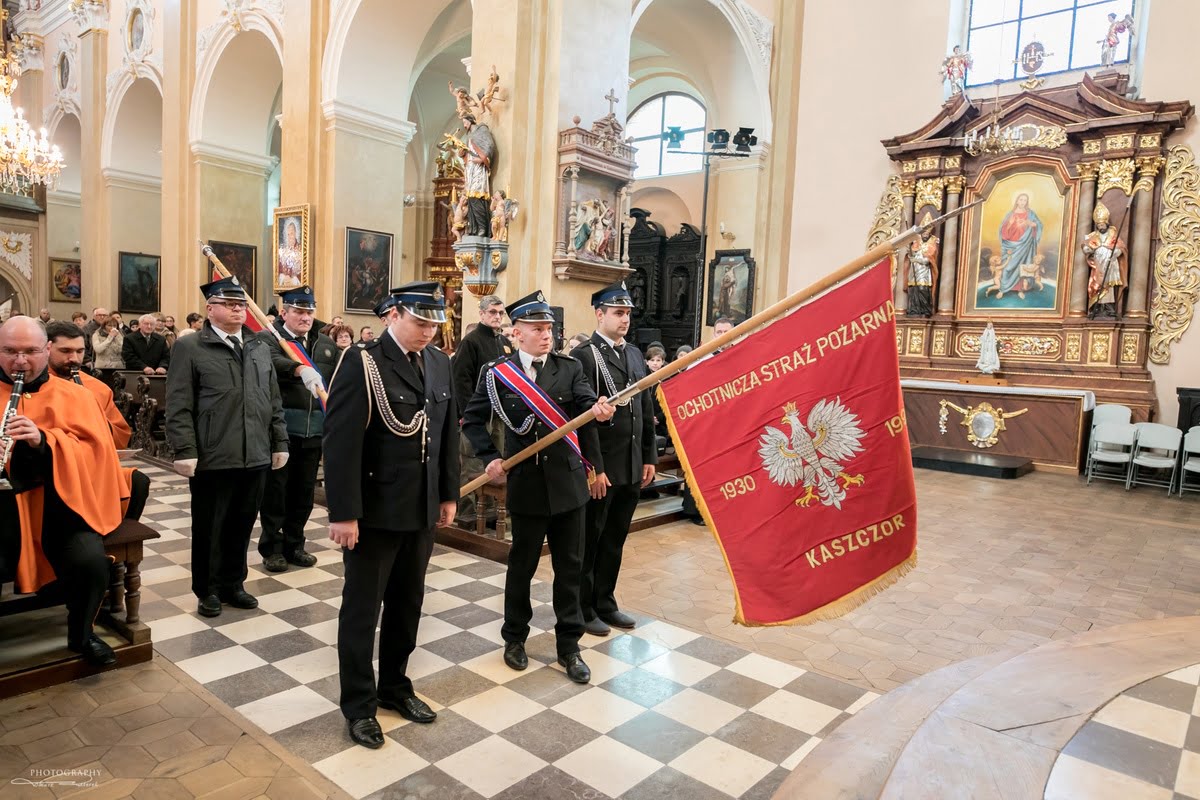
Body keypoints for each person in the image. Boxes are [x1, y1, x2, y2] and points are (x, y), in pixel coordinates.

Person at [323, 282, 459, 749]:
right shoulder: (362, 362)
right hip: (375, 512)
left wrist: (447, 494)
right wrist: (344, 513)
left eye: (435, 323)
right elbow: (341, 443)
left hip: (420, 509)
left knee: (408, 604)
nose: (429, 331)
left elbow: (446, 434)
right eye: (420, 322)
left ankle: (395, 686)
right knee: (362, 612)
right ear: (393, 315)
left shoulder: (438, 361)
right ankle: (359, 705)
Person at [462, 290, 615, 685]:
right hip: (527, 484)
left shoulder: (569, 368)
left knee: (570, 569)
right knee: (522, 568)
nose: (547, 334)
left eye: (549, 328)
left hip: (568, 486)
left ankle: (569, 646)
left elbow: (586, 404)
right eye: (537, 328)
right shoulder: (498, 373)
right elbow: (472, 420)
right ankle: (514, 638)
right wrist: (489, 456)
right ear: (517, 333)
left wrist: (598, 410)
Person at [0, 317, 127, 666]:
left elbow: (98, 455)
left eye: (30, 351)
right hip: (3, 512)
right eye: (10, 351)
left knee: (90, 563)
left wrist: (45, 441)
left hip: (60, 505)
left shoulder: (77, 395)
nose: (20, 361)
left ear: (45, 350)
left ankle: (82, 635)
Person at [165, 277, 287, 618]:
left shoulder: (259, 346)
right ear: (210, 308)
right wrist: (185, 449)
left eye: (242, 304)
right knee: (210, 527)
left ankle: (234, 584)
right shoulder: (190, 347)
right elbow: (178, 402)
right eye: (230, 304)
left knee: (242, 524)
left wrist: (279, 441)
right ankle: (207, 590)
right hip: (213, 453)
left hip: (255, 452)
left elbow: (272, 399)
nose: (238, 309)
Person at [570, 282, 656, 636]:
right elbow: (583, 419)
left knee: (615, 539)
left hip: (631, 464)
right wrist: (594, 469)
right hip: (603, 467)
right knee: (590, 540)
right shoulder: (585, 356)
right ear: (599, 314)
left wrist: (648, 455)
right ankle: (583, 607)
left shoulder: (634, 354)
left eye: (628, 314)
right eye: (618, 313)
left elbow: (644, 407)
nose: (625, 320)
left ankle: (605, 602)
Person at [257, 287, 338, 573]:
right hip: (282, 430)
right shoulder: (270, 338)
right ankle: (272, 548)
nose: (305, 317)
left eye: (309, 312)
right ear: (284, 312)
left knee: (303, 493)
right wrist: (298, 369)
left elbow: (336, 377)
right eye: (299, 311)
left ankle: (295, 544)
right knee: (276, 493)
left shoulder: (325, 343)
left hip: (314, 429)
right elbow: (270, 361)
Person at [451, 294, 511, 525]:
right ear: (482, 314)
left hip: (500, 415)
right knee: (473, 463)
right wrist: (468, 415)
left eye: (500, 312)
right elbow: (461, 380)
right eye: (493, 312)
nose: (497, 316)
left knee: (496, 463)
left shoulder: (503, 342)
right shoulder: (471, 341)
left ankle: (491, 512)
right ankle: (467, 514)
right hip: (476, 416)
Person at [46, 322, 132, 449]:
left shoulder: (98, 388)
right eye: (65, 351)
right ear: (46, 349)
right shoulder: (33, 385)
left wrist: (100, 422)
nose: (74, 358)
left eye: (79, 351)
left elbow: (121, 437)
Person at [1084, 201, 1127, 320]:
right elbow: (1087, 246)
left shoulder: (1113, 235)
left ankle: (1109, 308)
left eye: (1102, 224)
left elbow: (1121, 247)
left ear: (1106, 224)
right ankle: (1096, 307)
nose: (1101, 227)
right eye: (1099, 225)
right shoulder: (1093, 236)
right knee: (1097, 284)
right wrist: (1087, 249)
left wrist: (1116, 252)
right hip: (1098, 264)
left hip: (1110, 263)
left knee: (1109, 286)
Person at [996, 193, 1042, 299]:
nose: (1022, 202)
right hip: (1011, 245)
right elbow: (1003, 230)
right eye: (1021, 200)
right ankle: (1003, 289)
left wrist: (1031, 224)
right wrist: (1010, 223)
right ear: (1017, 201)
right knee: (1007, 267)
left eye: (1025, 200)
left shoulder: (1031, 214)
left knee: (1022, 266)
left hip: (1025, 245)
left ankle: (1020, 289)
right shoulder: (1010, 214)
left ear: (1027, 202)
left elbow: (1038, 225)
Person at [906, 214, 939, 317]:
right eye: (923, 233)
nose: (925, 235)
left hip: (924, 272)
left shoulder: (931, 245)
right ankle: (914, 309)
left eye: (926, 233)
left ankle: (925, 309)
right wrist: (910, 253)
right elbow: (910, 254)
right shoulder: (916, 242)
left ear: (929, 234)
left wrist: (916, 259)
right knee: (913, 289)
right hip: (914, 271)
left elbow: (927, 260)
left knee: (922, 289)